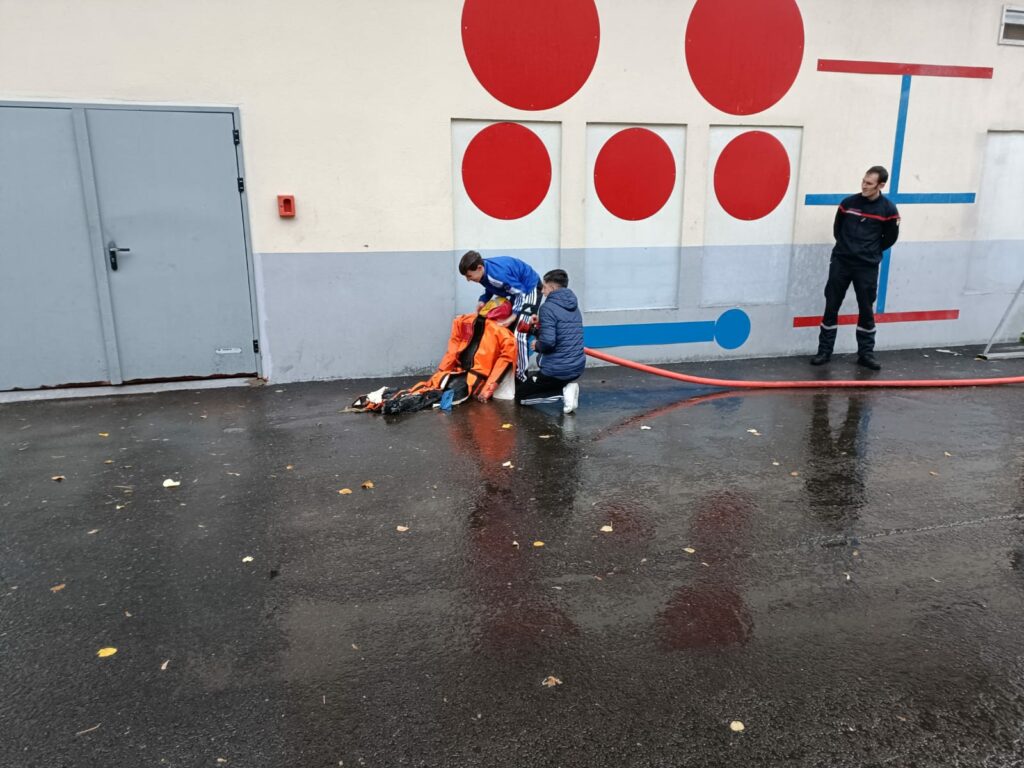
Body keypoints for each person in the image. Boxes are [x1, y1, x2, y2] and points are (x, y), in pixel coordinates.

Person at [811, 166, 901, 371]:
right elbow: (837, 229)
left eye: (869, 183)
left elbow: (890, 238)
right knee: (831, 305)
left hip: (866, 266)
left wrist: (869, 252)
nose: (864, 186)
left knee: (866, 309)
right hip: (842, 262)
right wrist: (846, 249)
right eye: (863, 181)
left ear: (881, 185)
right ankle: (824, 351)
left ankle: (866, 354)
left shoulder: (888, 210)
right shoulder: (848, 204)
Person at [459, 251, 541, 382]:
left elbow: (520, 293)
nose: (468, 280)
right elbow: (490, 286)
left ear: (479, 268)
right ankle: (508, 369)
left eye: (469, 276)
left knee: (519, 333)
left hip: (529, 288)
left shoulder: (497, 275)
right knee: (507, 331)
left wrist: (513, 316)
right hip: (517, 290)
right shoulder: (483, 271)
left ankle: (522, 378)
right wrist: (483, 300)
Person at [515, 269, 585, 414]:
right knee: (542, 385)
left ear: (552, 288)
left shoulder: (547, 308)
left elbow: (548, 342)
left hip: (557, 370)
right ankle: (565, 387)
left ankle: (563, 394)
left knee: (521, 396)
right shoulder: (574, 306)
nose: (542, 291)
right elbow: (559, 334)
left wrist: (537, 345)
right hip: (576, 367)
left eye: (544, 287)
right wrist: (537, 326)